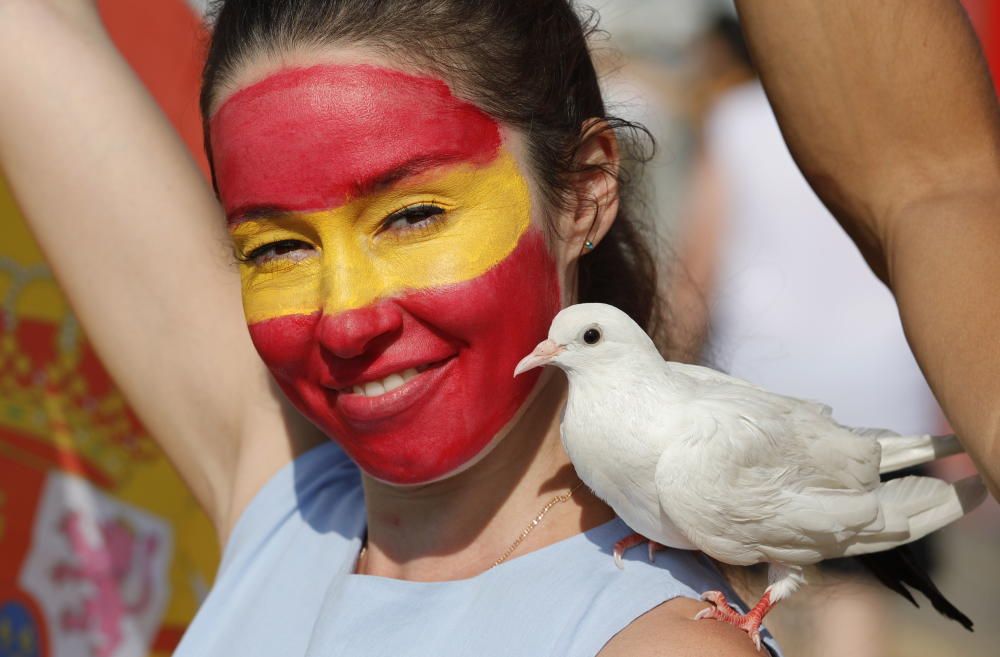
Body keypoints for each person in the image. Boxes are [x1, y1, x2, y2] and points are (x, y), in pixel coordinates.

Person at [0, 1, 775, 655]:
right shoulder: (289, 506)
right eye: (276, 247)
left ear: (582, 193)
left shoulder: (655, 640)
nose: (345, 320)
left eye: (412, 215)